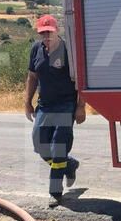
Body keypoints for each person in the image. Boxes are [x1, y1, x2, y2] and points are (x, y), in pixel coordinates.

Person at [24, 14, 86, 207]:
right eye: (42, 33)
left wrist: (81, 106)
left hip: (66, 105)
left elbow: (81, 80)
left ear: (56, 30)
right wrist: (27, 102)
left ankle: (55, 192)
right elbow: (32, 77)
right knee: (41, 146)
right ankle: (70, 164)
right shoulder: (37, 49)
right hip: (45, 105)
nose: (46, 36)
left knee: (58, 147)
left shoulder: (69, 50)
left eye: (49, 32)